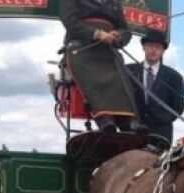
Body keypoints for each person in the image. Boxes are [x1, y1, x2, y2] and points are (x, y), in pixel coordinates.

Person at [59, 0, 141, 133]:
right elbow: (70, 21)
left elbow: (125, 30)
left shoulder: (115, 2)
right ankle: (104, 118)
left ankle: (127, 120)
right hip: (82, 48)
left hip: (108, 50)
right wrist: (96, 33)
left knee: (120, 71)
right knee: (90, 70)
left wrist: (118, 36)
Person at [127, 30, 184, 145]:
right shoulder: (129, 71)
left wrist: (162, 120)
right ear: (144, 47)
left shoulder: (174, 77)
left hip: (160, 134)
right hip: (131, 132)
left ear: (163, 51)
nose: (154, 49)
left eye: (158, 47)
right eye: (150, 46)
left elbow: (178, 108)